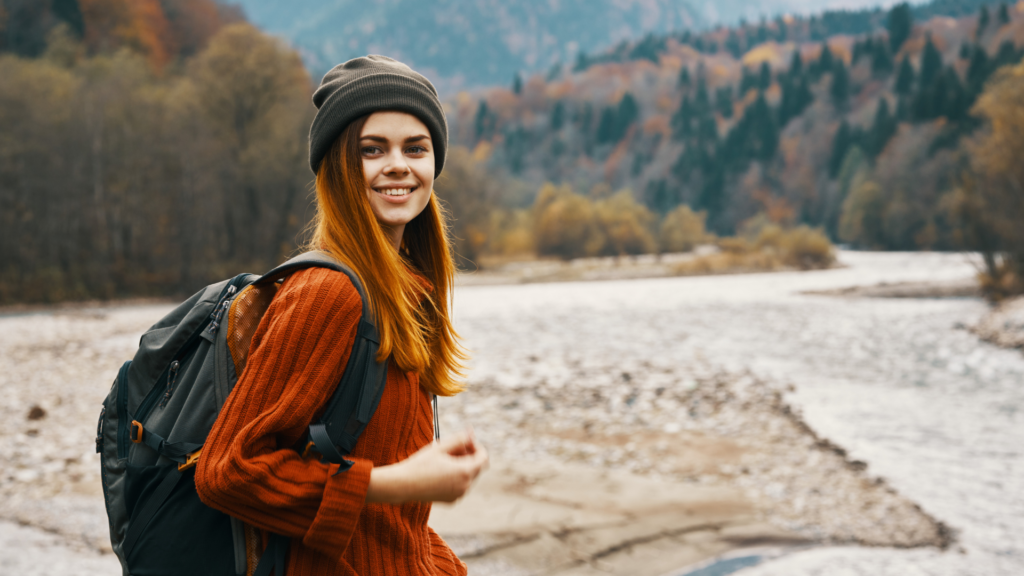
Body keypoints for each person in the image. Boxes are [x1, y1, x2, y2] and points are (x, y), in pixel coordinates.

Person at [195, 55, 488, 576]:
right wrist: (394, 483)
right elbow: (227, 471)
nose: (398, 164)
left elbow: (398, 533)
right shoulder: (328, 294)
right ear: (337, 168)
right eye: (372, 150)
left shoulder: (406, 293)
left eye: (415, 148)